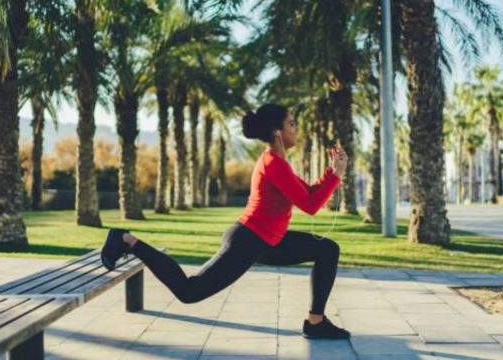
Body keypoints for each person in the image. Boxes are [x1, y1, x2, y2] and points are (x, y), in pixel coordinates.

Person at [101, 103, 350, 339]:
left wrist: (331, 171)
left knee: (327, 249)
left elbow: (308, 194)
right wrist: (336, 175)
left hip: (268, 241)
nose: (296, 128)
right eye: (291, 123)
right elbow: (311, 206)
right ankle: (126, 240)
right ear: (277, 132)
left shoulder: (278, 163)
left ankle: (315, 322)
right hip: (248, 241)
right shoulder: (273, 163)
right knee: (189, 292)